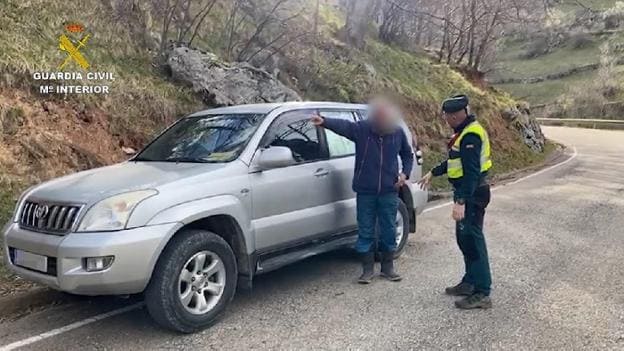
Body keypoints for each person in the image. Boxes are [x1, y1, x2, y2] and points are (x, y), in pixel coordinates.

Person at [310, 99, 414, 284]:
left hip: (389, 190)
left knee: (388, 229)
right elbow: (344, 126)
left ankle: (387, 268)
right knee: (365, 230)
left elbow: (407, 154)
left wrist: (405, 174)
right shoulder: (362, 129)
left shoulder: (397, 132)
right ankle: (367, 270)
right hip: (366, 190)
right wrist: (324, 121)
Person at [418, 94, 493, 309]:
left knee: (473, 241)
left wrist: (460, 201)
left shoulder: (471, 136)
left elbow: (471, 173)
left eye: (447, 116)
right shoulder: (463, 133)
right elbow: (454, 160)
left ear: (456, 115)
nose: (445, 120)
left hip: (472, 194)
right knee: (464, 240)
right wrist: (434, 171)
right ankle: (470, 282)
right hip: (468, 192)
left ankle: (483, 292)